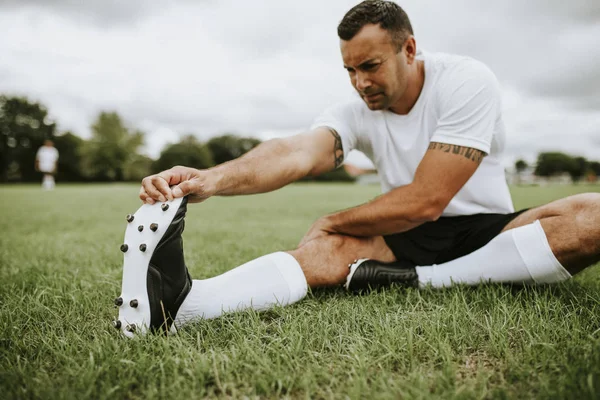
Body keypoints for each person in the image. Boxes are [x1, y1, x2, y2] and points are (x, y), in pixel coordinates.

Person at [115, 0, 600, 334]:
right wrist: (212, 179)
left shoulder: (466, 81)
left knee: (592, 217)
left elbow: (428, 199)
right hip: (406, 237)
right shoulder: (355, 110)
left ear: (409, 49)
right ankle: (184, 305)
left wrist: (331, 220)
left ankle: (421, 280)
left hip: (493, 229)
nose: (359, 82)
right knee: (325, 252)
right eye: (349, 70)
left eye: (370, 66)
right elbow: (296, 153)